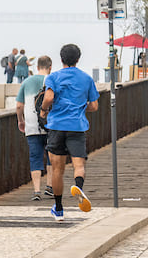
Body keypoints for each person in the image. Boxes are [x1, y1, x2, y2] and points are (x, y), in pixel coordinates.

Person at [41, 44, 99, 221]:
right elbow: (94, 106)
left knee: (57, 170)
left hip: (57, 126)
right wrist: (80, 108)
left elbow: (49, 97)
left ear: (61, 59)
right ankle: (78, 186)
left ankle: (58, 209)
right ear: (78, 59)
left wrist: (44, 110)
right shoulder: (86, 79)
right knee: (79, 165)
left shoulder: (54, 77)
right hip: (77, 127)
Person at [15, 55, 52, 201]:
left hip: (31, 126)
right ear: (50, 67)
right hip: (50, 125)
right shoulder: (52, 80)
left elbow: (19, 106)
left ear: (37, 67)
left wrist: (21, 121)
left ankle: (36, 190)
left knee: (35, 157)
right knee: (51, 156)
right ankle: (50, 187)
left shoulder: (27, 82)